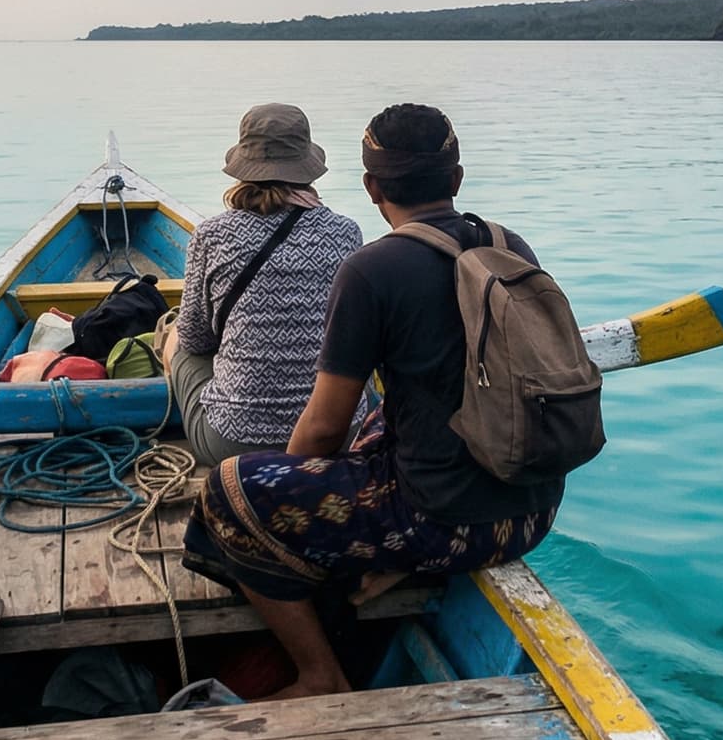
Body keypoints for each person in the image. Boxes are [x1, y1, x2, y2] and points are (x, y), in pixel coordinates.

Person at [184, 103, 562, 698]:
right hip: (530, 515)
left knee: (229, 492)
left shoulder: (375, 269)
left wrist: (283, 482)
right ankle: (397, 560)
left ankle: (318, 675)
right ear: (457, 180)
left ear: (372, 186)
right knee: (387, 416)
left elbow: (325, 426)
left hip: (445, 521)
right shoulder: (507, 244)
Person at [161, 103, 364, 468]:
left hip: (233, 442)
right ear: (307, 168)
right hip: (338, 434)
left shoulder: (213, 234)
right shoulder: (345, 232)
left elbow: (195, 341)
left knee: (178, 343)